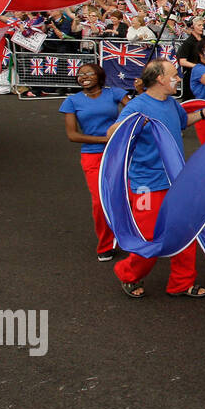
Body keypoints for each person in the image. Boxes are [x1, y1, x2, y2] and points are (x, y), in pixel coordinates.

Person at [106, 60, 205, 299]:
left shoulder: (172, 103)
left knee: (185, 232)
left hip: (176, 180)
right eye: (175, 75)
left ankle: (181, 283)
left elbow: (183, 122)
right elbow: (111, 133)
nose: (178, 79)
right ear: (160, 79)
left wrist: (203, 114)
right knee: (148, 238)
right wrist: (131, 125)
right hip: (147, 183)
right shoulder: (137, 106)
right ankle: (128, 274)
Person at [60, 62, 128, 261]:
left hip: (118, 151)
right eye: (80, 74)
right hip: (92, 154)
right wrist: (103, 140)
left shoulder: (115, 93)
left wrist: (140, 90)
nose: (84, 77)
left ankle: (130, 236)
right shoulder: (71, 101)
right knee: (100, 202)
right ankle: (105, 244)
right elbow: (72, 135)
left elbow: (136, 109)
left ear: (99, 75)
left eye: (89, 73)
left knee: (126, 196)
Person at [175, 18, 205, 98]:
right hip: (191, 75)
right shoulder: (188, 43)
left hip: (204, 75)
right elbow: (182, 61)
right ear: (193, 27)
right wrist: (197, 66)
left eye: (202, 25)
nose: (202, 27)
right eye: (199, 25)